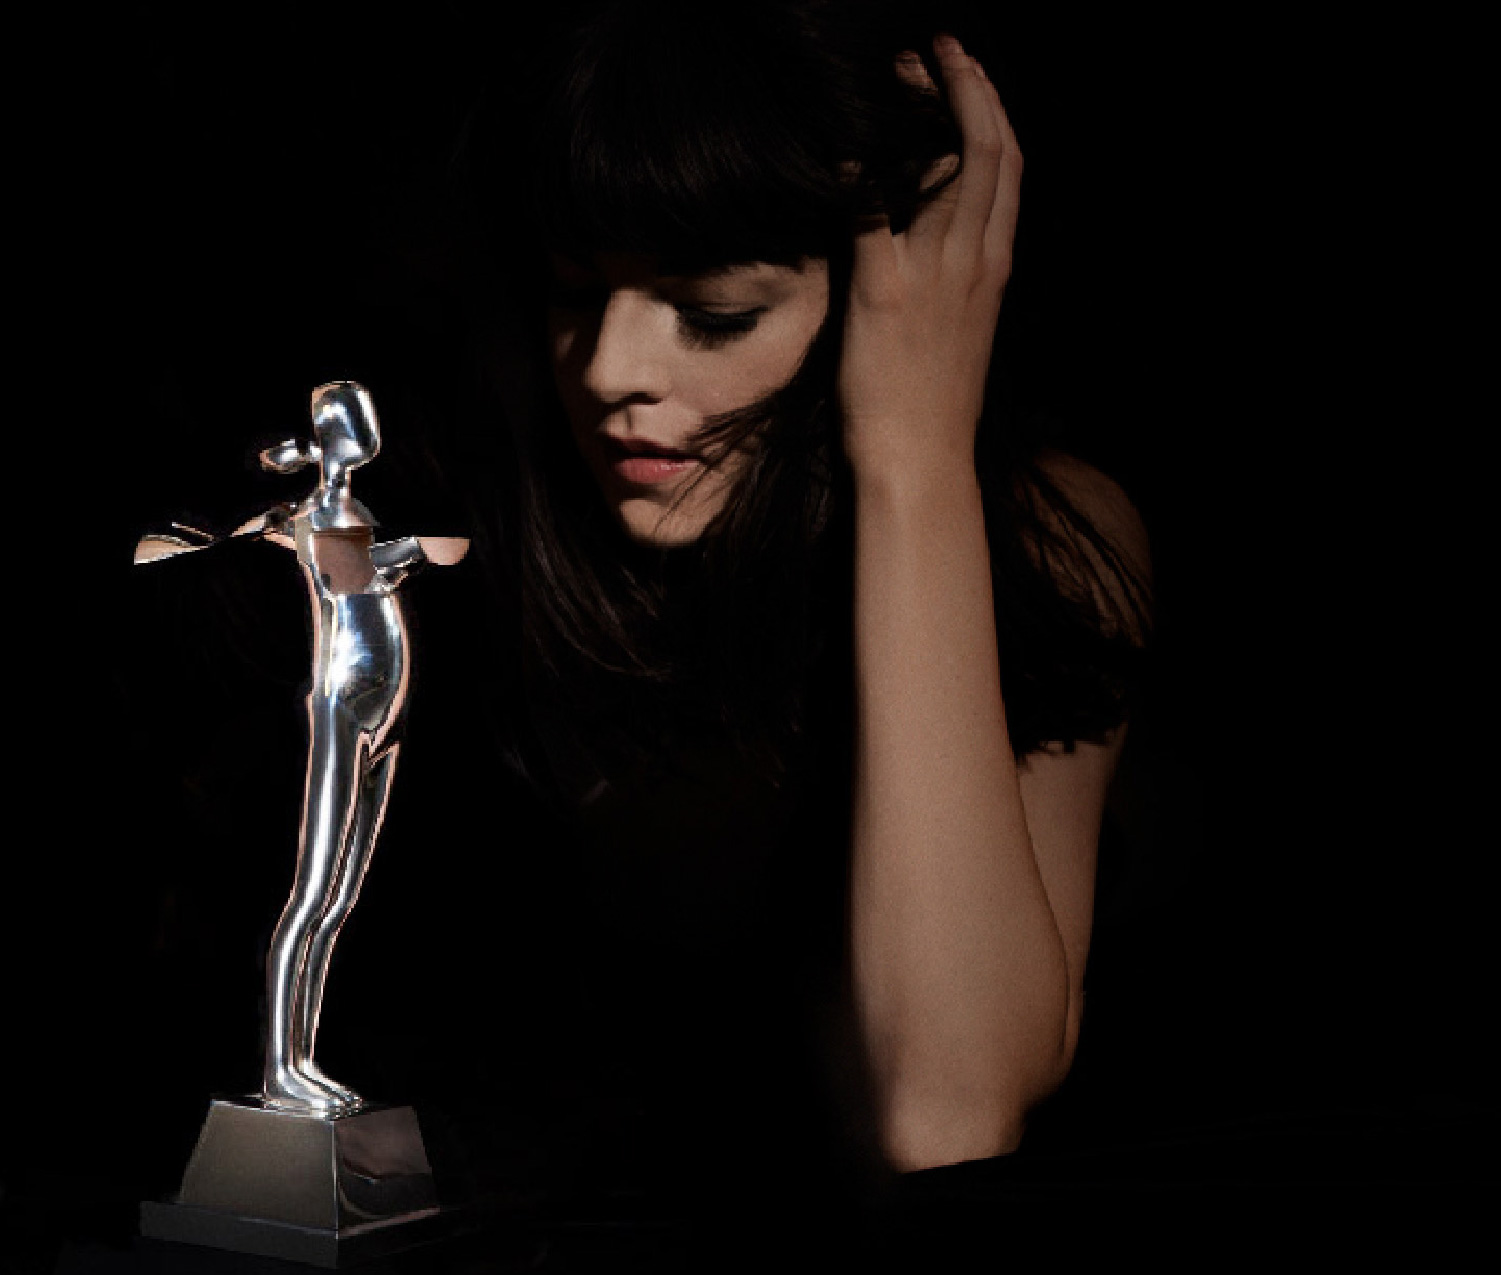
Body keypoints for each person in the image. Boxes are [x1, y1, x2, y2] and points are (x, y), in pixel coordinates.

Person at [438, 0, 1152, 1209]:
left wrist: (914, 445)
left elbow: (946, 1111)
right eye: (575, 293)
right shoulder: (483, 533)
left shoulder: (1044, 535)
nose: (611, 372)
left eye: (713, 312)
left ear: (895, 294)